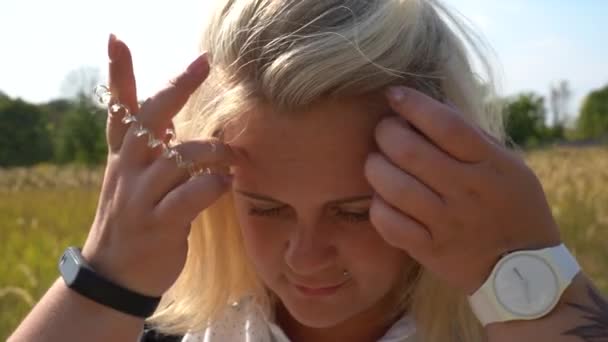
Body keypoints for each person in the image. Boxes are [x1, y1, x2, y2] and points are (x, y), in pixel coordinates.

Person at [9, 0, 608, 341]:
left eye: (354, 211)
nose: (305, 257)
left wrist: (529, 282)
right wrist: (104, 279)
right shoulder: (167, 331)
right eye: (266, 208)